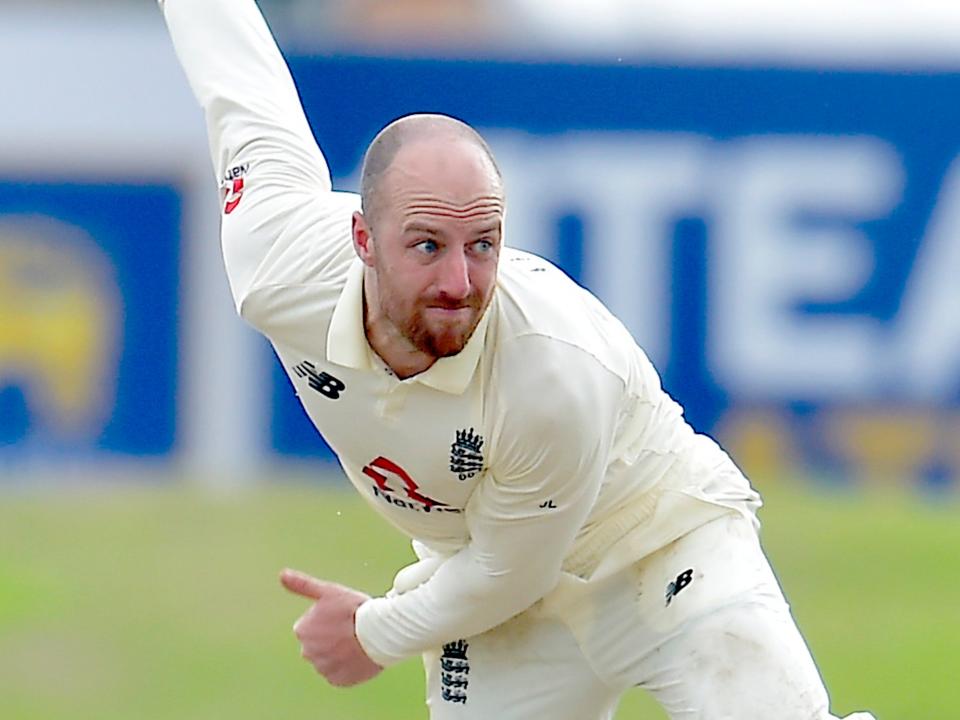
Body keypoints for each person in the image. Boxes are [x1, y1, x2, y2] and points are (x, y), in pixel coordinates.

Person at [159, 1, 877, 718]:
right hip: (489, 589)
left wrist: (373, 634)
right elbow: (240, 87)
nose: (459, 283)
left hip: (659, 545)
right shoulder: (280, 264)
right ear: (361, 239)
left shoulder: (553, 370)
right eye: (426, 245)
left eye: (484, 244)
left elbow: (513, 568)